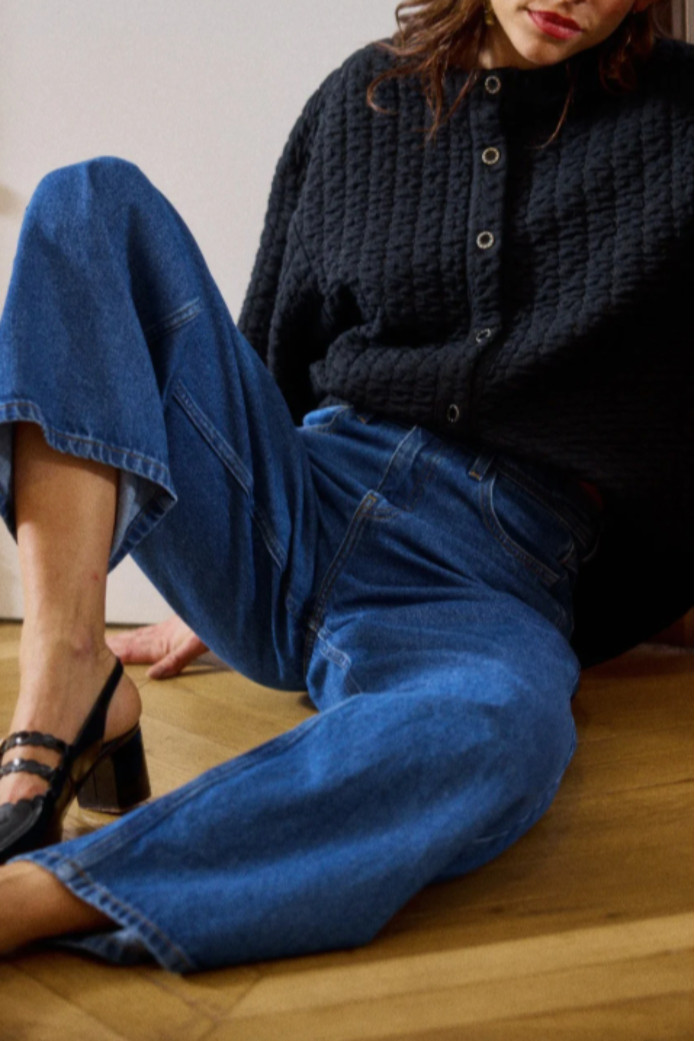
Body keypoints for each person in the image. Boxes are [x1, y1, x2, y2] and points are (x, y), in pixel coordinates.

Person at [0, 0, 691, 972]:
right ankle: (67, 673)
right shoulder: (358, 101)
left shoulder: (678, 121)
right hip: (300, 499)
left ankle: (52, 893)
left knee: (498, 730)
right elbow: (265, 355)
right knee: (86, 202)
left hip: (483, 579)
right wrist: (224, 543)